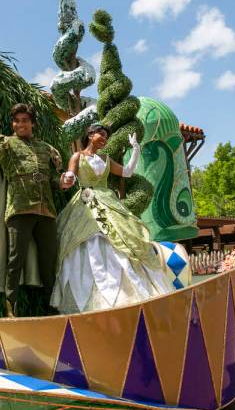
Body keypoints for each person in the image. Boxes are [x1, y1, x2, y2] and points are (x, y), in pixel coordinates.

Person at [50, 123, 173, 314]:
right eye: (101, 134)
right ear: (90, 135)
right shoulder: (78, 156)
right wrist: (67, 178)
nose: (104, 138)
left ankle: (130, 292)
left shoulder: (106, 158)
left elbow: (127, 172)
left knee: (123, 237)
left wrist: (136, 150)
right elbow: (71, 178)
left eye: (106, 136)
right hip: (85, 204)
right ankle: (89, 298)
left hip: (108, 200)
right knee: (87, 241)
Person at [0, 103, 70, 316]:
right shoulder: (7, 144)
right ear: (12, 124)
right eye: (16, 121)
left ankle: (52, 308)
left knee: (48, 260)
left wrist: (61, 182)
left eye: (25, 120)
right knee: (15, 259)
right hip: (19, 208)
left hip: (46, 211)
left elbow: (53, 179)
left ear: (32, 123)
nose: (20, 124)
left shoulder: (45, 148)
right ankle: (10, 307)